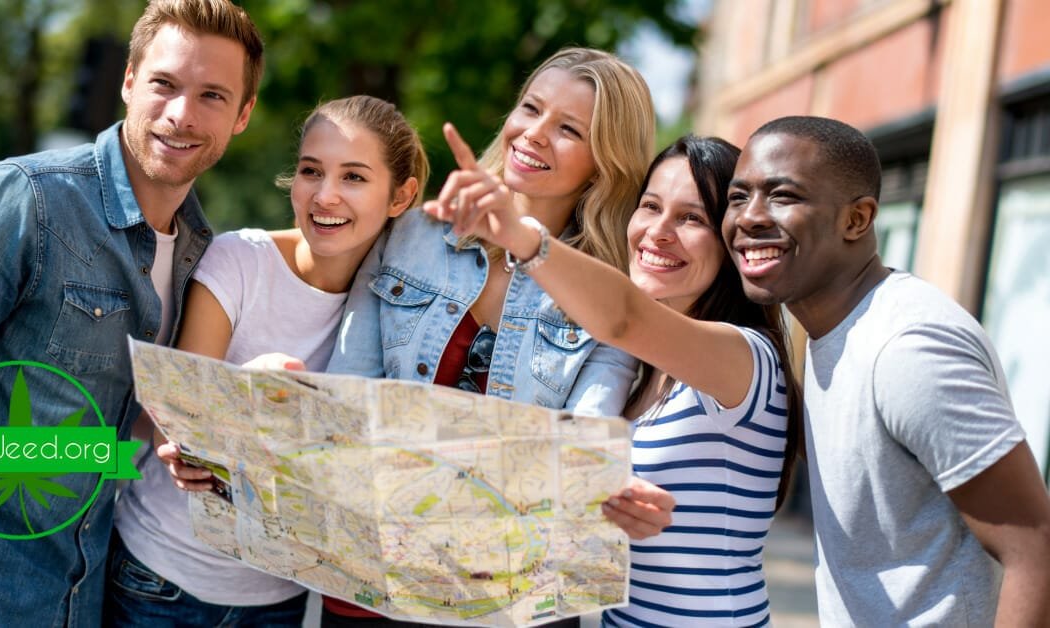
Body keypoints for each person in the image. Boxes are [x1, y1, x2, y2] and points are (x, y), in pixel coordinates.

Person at [0, 0, 262, 625]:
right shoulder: (27, 200)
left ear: (242, 117)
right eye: (164, 84)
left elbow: (98, 433)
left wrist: (180, 440)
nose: (181, 114)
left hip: (77, 597)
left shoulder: (202, 251)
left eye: (212, 96)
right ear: (128, 81)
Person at [322, 47, 673, 627]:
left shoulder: (607, 292)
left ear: (604, 162)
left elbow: (589, 430)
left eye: (568, 129)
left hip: (508, 597)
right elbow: (347, 388)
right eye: (530, 109)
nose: (532, 134)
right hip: (379, 578)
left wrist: (609, 479)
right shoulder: (413, 233)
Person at [428, 130, 801, 626]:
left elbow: (624, 317)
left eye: (691, 218)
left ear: (731, 241)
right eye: (650, 206)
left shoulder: (746, 357)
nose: (658, 231)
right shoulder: (638, 370)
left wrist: (521, 234)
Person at [107, 95, 428, 627]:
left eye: (354, 177)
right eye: (311, 171)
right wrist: (243, 392)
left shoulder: (404, 305)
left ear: (401, 195)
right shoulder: (242, 260)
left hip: (277, 600)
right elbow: (177, 418)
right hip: (160, 577)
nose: (324, 196)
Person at [722, 115, 1050, 625]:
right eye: (738, 196)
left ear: (857, 219)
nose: (749, 217)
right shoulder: (834, 329)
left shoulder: (908, 349)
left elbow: (1036, 546)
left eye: (782, 195)